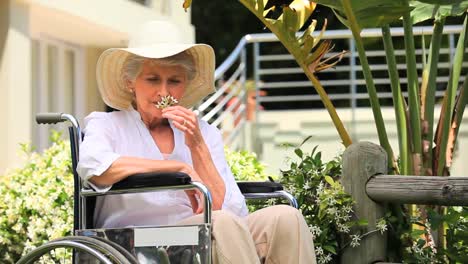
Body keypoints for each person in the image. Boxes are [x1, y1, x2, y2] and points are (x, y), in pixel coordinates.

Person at [77, 20, 316, 264]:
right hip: (136, 241)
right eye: (152, 79)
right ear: (130, 82)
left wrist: (197, 145)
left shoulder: (202, 131)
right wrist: (178, 168)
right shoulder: (108, 124)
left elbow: (229, 208)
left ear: (185, 84)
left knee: (285, 218)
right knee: (219, 224)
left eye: (174, 81)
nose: (163, 92)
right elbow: (94, 167)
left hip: (204, 237)